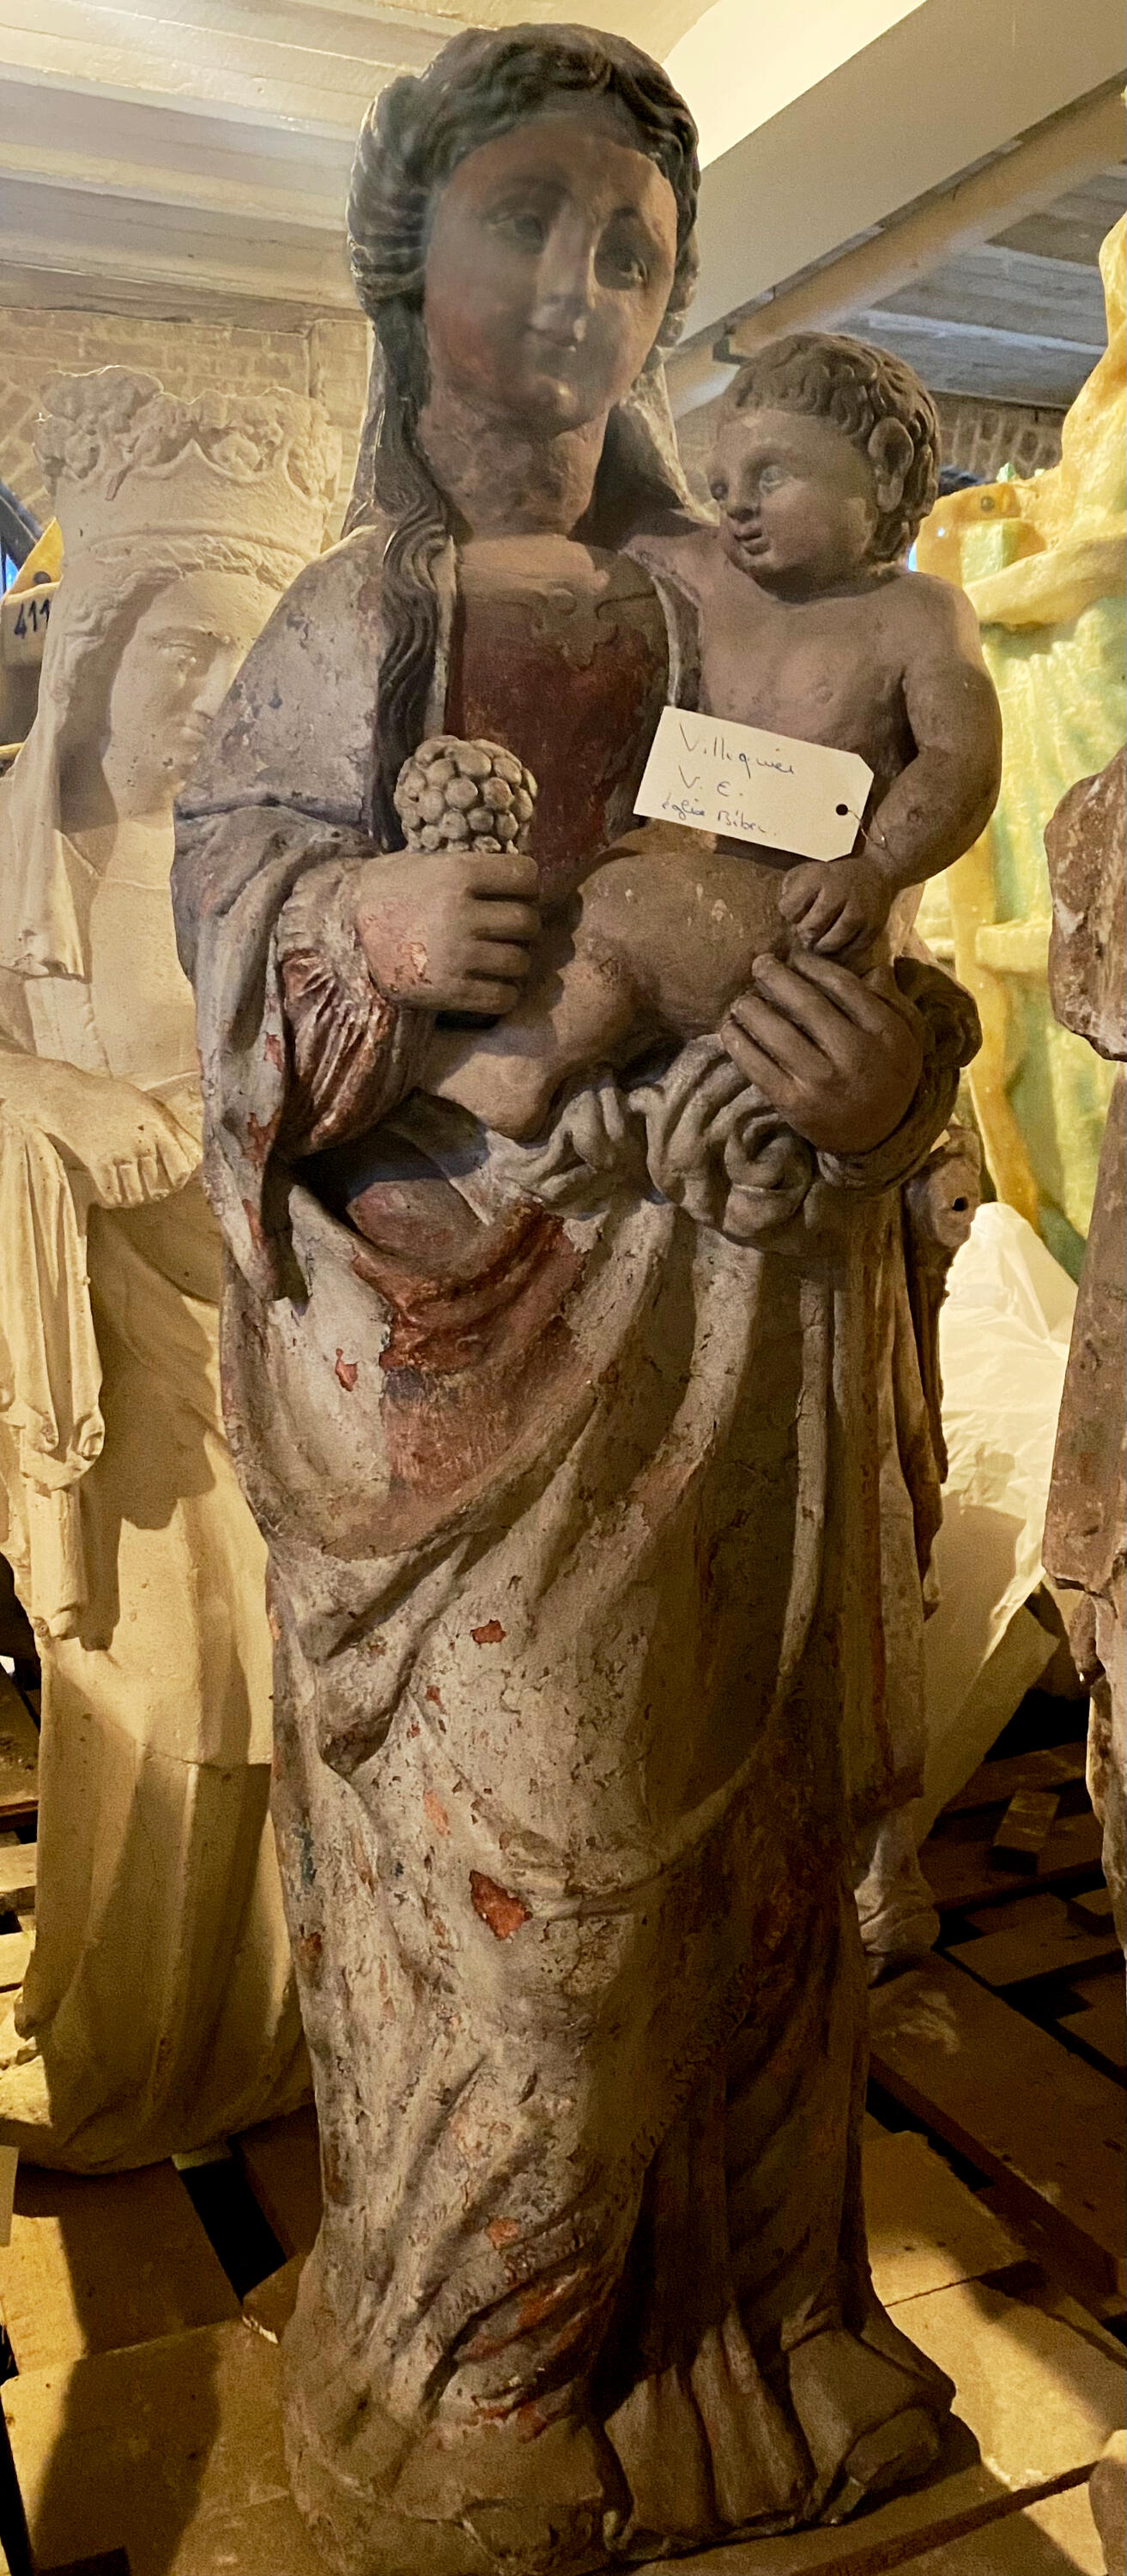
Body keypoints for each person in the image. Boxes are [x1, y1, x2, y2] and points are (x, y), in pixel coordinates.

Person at [173, 28, 974, 2569]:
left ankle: (764, 2325)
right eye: (521, 218)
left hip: (751, 1315)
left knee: (756, 1889)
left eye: (628, 245)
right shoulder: (354, 613)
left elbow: (879, 919)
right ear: (403, 246)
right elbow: (226, 965)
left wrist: (887, 1075)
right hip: (467, 1359)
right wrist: (363, 927)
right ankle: (484, 2375)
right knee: (539, 1904)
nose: (574, 282)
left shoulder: (770, 603)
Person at [0, 369, 338, 2167]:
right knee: (143, 1703)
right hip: (114, 1365)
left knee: (271, 1708)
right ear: (96, 657)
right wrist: (48, 1095)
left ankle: (257, 2049)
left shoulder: (299, 872)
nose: (213, 696)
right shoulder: (20, 853)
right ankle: (126, 2051)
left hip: (284, 1345)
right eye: (180, 654)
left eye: (247, 658)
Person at [421, 331, 1000, 1146]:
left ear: (884, 465)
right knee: (592, 897)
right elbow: (622, 495)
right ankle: (537, 1062)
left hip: (807, 928)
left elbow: (960, 762)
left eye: (772, 475)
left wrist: (875, 870)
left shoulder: (916, 615)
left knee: (629, 902)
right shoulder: (705, 573)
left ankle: (519, 1072)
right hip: (687, 887)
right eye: (721, 484)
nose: (736, 506)